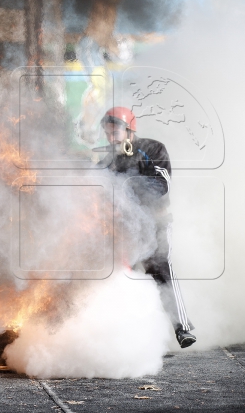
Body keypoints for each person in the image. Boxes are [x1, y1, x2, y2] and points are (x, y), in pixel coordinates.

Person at [96, 106, 196, 348]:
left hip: (155, 222)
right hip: (122, 226)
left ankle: (181, 327)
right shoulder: (109, 159)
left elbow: (162, 184)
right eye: (107, 134)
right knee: (113, 272)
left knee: (160, 268)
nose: (110, 138)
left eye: (115, 133)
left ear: (129, 129)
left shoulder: (153, 149)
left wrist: (125, 187)